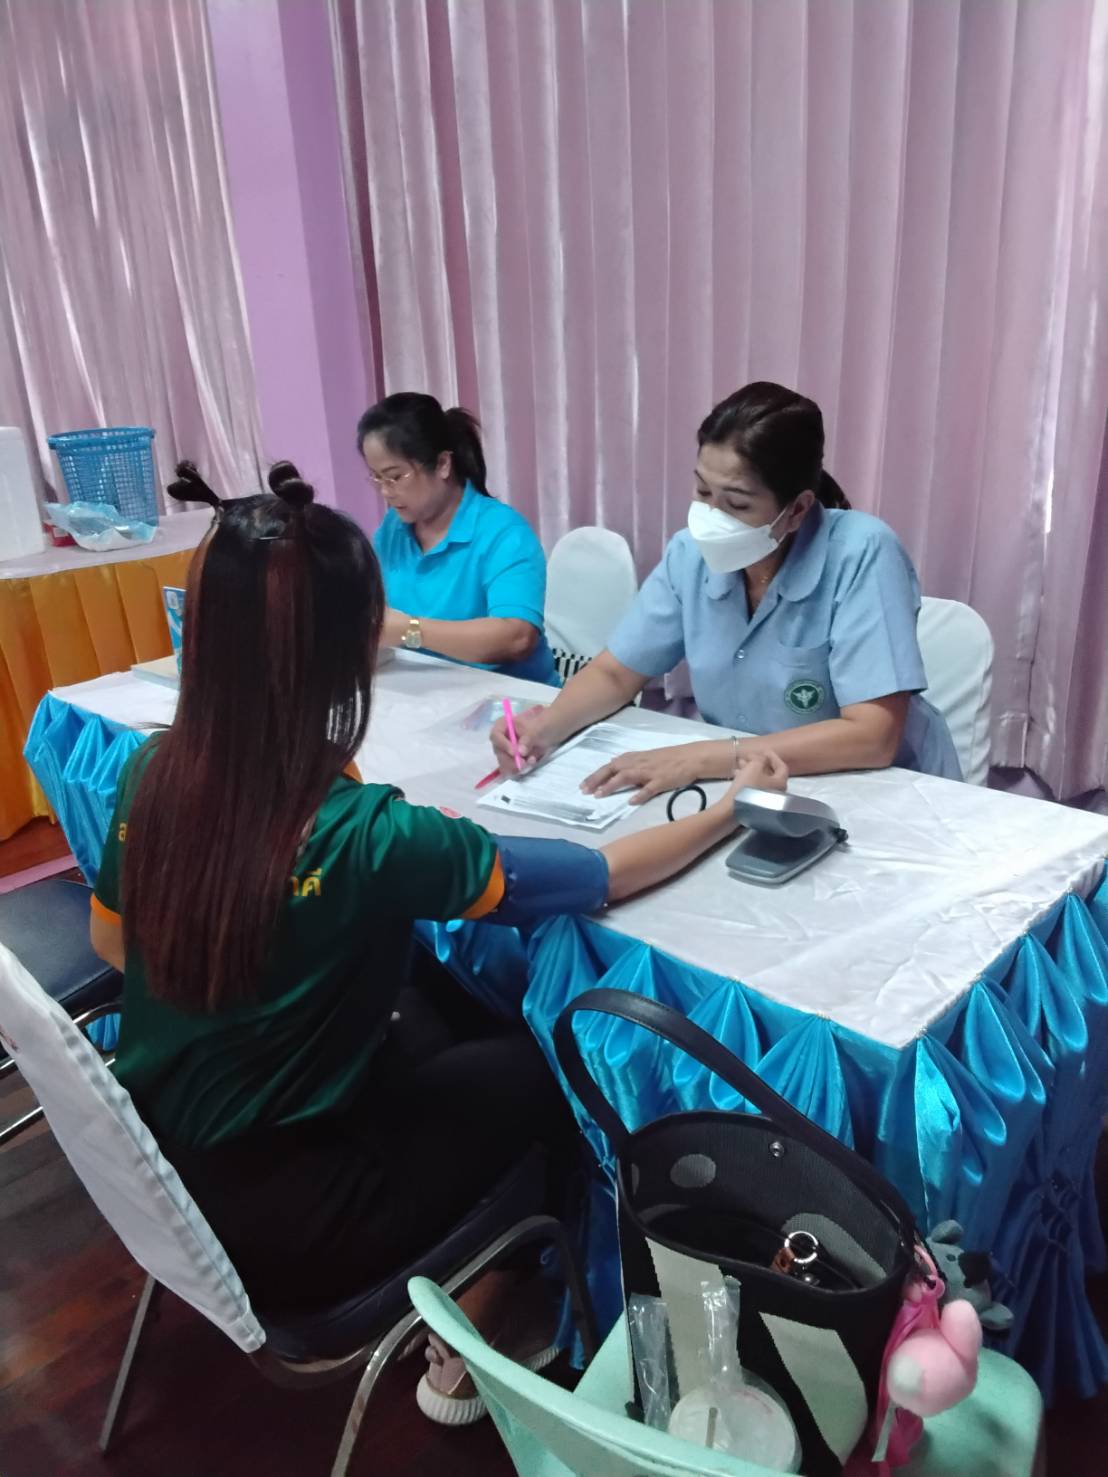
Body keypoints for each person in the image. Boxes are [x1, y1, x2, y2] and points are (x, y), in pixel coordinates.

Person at [89, 457, 787, 1426]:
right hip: (305, 1219)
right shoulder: (369, 834)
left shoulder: (154, 770)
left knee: (429, 996)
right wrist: (731, 807)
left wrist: (264, 973)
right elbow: (603, 874)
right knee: (552, 1069)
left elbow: (112, 942)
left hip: (172, 1175)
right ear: (347, 655)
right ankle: (484, 1321)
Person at [491, 381, 961, 799]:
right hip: (754, 782)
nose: (711, 517)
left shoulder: (862, 552)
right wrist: (545, 729)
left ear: (798, 509)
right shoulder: (689, 555)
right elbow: (617, 674)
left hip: (884, 789)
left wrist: (703, 758)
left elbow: (873, 736)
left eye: (736, 503)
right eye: (702, 492)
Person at [359, 391, 557, 684]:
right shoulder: (392, 529)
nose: (386, 492)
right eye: (377, 477)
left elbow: (517, 637)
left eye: (396, 476)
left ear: (442, 464)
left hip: (510, 699)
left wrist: (410, 629)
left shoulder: (503, 532)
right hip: (430, 688)